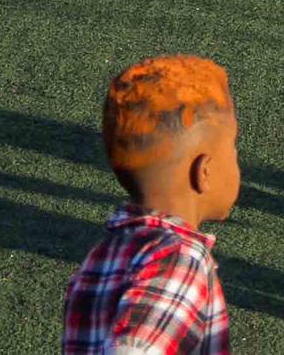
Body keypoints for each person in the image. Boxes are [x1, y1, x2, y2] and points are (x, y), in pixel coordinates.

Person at [62, 55, 239, 355]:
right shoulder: (180, 259)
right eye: (233, 151)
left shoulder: (104, 255)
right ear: (204, 172)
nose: (236, 165)